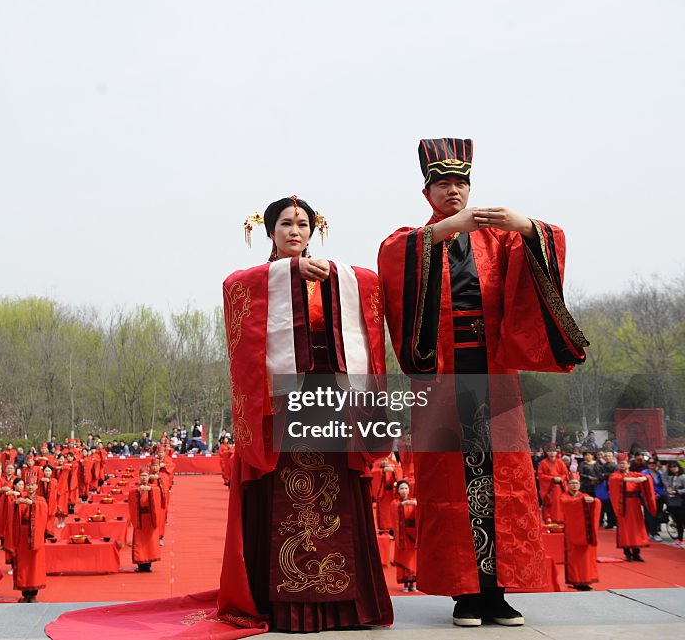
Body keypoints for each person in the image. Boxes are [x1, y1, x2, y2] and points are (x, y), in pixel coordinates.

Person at [378, 138, 589, 627]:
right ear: (426, 191)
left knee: (505, 483)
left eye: (460, 183)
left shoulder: (499, 240)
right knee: (450, 484)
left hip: (494, 374)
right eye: (442, 184)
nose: (453, 191)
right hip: (441, 379)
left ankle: (497, 592)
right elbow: (394, 260)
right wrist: (444, 233)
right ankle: (464, 594)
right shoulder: (410, 239)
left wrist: (528, 227)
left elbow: (547, 244)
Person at [218, 196, 393, 631]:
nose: (295, 232)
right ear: (270, 232)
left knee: (334, 497)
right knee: (282, 496)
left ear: (313, 232)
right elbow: (232, 286)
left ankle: (345, 604)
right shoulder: (257, 282)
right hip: (280, 405)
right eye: (285, 224)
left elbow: (371, 285)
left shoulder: (333, 278)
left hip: (328, 400)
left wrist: (335, 277)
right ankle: (280, 604)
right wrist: (289, 273)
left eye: (303, 225)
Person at [608, 453, 657, 561]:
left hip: (635, 505)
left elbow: (647, 477)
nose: (622, 465)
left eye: (624, 463)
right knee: (625, 529)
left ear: (629, 464)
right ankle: (627, 552)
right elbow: (615, 481)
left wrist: (643, 478)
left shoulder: (634, 474)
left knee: (637, 528)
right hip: (623, 505)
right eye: (620, 463)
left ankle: (636, 552)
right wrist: (632, 480)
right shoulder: (615, 476)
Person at [560, 475, 600, 590]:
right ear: (568, 485)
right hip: (572, 532)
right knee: (574, 556)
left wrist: (594, 501)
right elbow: (567, 505)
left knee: (586, 557)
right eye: (572, 483)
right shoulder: (563, 497)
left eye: (576, 483)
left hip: (584, 532)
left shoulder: (585, 495)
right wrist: (581, 502)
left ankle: (585, 580)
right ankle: (576, 580)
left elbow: (596, 502)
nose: (574, 485)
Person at [10, 481, 47, 603]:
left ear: (36, 486)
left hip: (35, 536)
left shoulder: (40, 500)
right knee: (24, 564)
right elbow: (13, 512)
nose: (30, 487)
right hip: (23, 536)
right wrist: (15, 504)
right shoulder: (22, 499)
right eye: (28, 485)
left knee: (34, 564)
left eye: (33, 485)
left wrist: (32, 504)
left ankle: (33, 594)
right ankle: (25, 593)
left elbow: (43, 510)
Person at [129, 469, 163, 572]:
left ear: (149, 477)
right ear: (139, 477)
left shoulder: (153, 488)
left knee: (149, 542)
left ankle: (148, 564)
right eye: (142, 476)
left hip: (149, 519)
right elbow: (131, 497)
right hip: (140, 519)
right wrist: (137, 491)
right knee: (139, 542)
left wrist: (149, 490)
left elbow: (157, 493)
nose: (144, 478)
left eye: (146, 476)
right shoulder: (136, 489)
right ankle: (140, 565)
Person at [393, 480, 418, 593]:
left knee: (413, 559)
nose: (404, 491)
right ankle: (406, 583)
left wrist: (415, 505)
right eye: (402, 489)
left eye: (406, 488)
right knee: (404, 558)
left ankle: (413, 583)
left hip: (413, 535)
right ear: (398, 491)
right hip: (402, 535)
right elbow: (393, 515)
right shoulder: (394, 503)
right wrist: (400, 506)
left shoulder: (414, 501)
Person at [537, 444, 569, 524]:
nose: (552, 453)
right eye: (550, 451)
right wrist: (551, 478)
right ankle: (549, 518)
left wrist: (561, 478)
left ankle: (559, 518)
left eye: (553, 451)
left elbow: (565, 473)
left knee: (559, 502)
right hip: (548, 487)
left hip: (559, 485)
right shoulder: (543, 463)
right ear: (547, 453)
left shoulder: (560, 462)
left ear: (556, 452)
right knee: (549, 503)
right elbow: (540, 475)